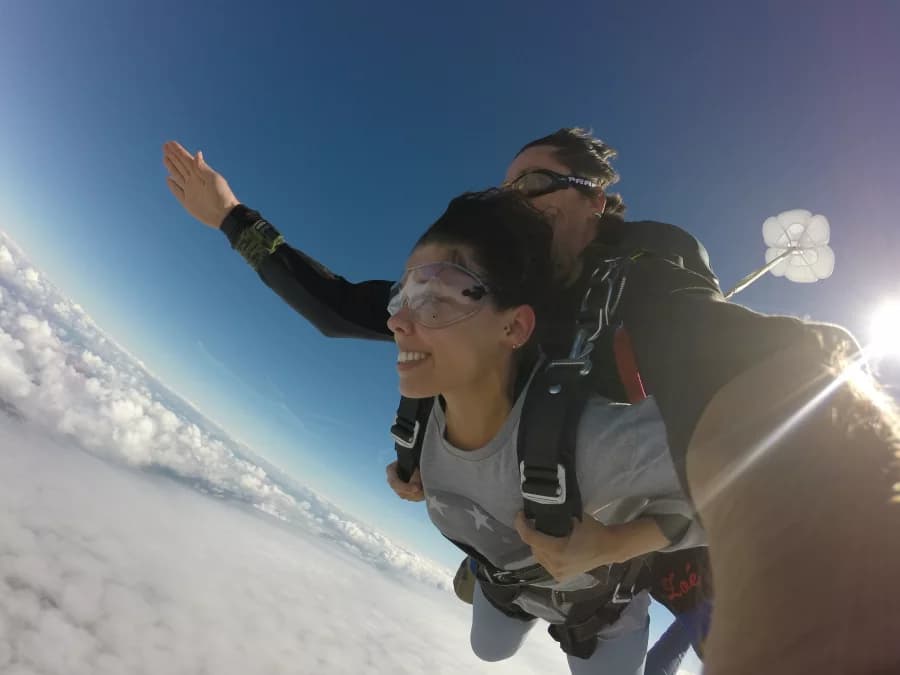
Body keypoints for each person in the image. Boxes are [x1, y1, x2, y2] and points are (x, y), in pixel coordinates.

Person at [161, 128, 716, 666]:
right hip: (521, 505)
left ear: (593, 197)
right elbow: (339, 308)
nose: (515, 201)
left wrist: (617, 544)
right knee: (489, 647)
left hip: (610, 539)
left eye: (534, 184)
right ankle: (493, 567)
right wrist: (233, 218)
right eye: (506, 191)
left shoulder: (643, 272)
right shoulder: (488, 287)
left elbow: (717, 367)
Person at [383, 188, 704, 673]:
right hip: (505, 583)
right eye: (404, 293)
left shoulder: (592, 442)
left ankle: (658, 594)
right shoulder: (420, 416)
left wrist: (616, 545)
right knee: (488, 650)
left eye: (440, 293)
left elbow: (751, 490)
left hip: (598, 613)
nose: (398, 319)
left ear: (513, 328)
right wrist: (411, 468)